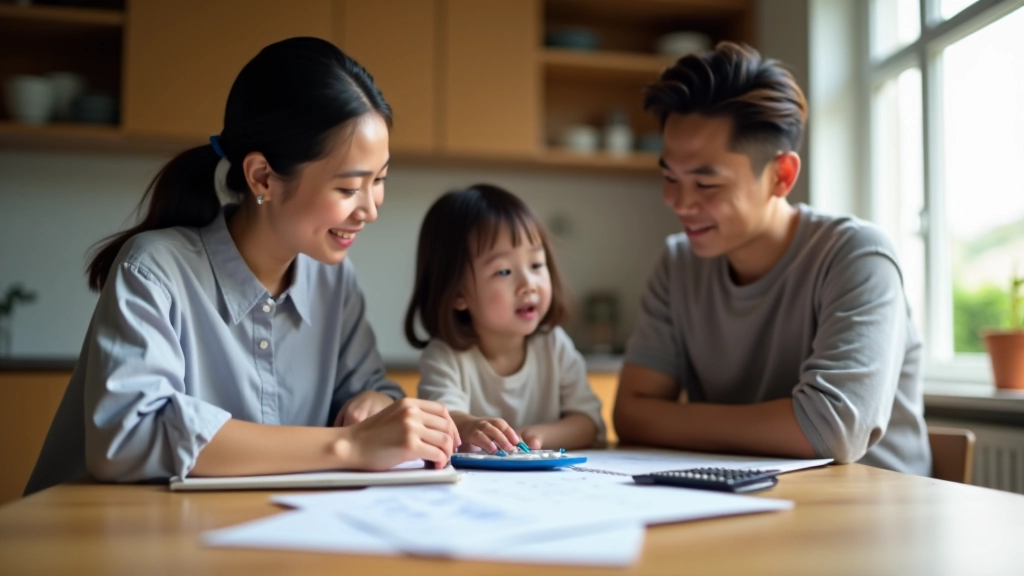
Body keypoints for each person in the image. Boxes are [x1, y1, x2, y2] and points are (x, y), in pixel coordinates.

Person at [25, 37, 460, 496]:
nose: (370, 209)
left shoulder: (333, 281)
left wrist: (371, 405)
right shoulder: (154, 270)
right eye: (349, 188)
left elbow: (369, 393)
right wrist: (348, 445)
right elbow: (128, 435)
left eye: (380, 180)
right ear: (262, 178)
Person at [613, 42, 931, 475]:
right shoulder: (678, 263)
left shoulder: (857, 255)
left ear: (781, 175)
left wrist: (670, 419)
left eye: (706, 184)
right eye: (669, 176)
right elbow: (630, 414)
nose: (679, 202)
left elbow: (832, 432)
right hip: (747, 499)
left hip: (875, 514)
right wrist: (789, 421)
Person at [406, 184, 604, 453]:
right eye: (504, 272)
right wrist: (470, 427)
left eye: (536, 265)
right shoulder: (444, 356)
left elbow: (589, 423)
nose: (528, 284)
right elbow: (442, 422)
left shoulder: (554, 345)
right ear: (457, 294)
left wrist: (537, 436)